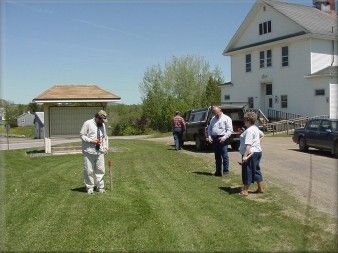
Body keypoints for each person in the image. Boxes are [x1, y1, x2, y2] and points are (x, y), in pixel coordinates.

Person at [80, 110, 109, 194]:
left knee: (100, 170)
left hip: (99, 151)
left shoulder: (102, 125)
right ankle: (89, 188)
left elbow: (105, 137)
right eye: (101, 120)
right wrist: (91, 141)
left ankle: (100, 187)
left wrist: (106, 147)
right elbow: (82, 135)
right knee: (88, 170)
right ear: (97, 117)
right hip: (89, 151)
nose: (103, 122)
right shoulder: (87, 123)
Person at [239, 112, 264, 196]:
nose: (243, 121)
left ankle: (245, 190)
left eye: (245, 120)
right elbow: (262, 135)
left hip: (250, 153)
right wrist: (257, 143)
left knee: (247, 171)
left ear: (248, 120)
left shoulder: (249, 131)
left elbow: (248, 145)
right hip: (257, 152)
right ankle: (260, 188)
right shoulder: (255, 128)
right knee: (256, 169)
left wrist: (245, 156)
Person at [207, 106, 233, 176]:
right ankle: (218, 172)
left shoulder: (227, 118)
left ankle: (225, 172)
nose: (215, 114)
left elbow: (230, 130)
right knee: (217, 156)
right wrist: (209, 136)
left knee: (224, 155)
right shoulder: (213, 119)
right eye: (214, 112)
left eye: (216, 112)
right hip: (215, 138)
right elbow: (209, 129)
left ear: (220, 110)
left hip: (223, 138)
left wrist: (224, 138)